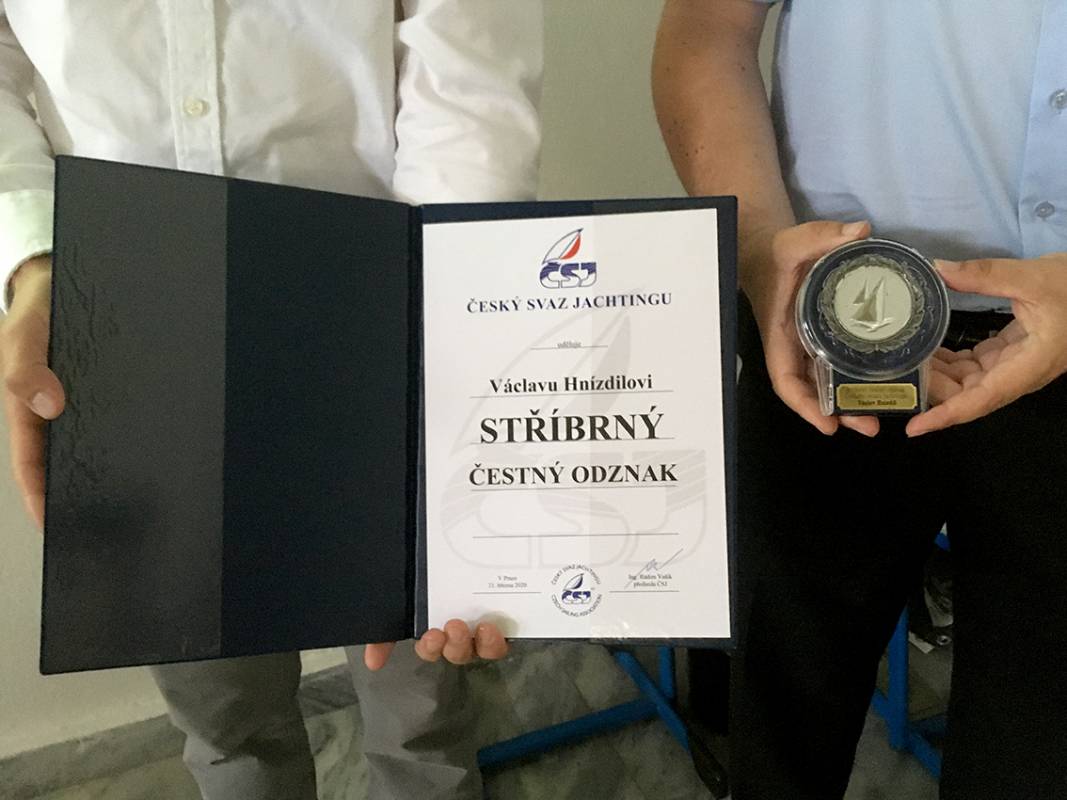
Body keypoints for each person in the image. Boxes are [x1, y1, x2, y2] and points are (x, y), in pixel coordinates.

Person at [0, 3, 541, 798]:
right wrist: (35, 255)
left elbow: (466, 60)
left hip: (382, 299)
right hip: (119, 308)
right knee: (222, 710)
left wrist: (451, 297)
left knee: (421, 692)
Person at [653, 1, 1067, 798]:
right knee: (780, 720)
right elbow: (707, 27)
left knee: (1042, 746)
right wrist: (756, 252)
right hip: (823, 320)